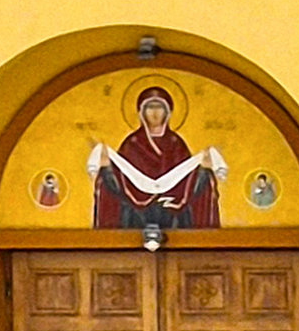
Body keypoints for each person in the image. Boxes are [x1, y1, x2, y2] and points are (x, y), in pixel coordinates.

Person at [88, 81, 223, 230]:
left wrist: (203, 171)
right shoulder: (132, 144)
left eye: (159, 107)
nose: (155, 112)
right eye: (150, 107)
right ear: (141, 112)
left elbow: (188, 182)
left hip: (172, 212)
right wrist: (107, 168)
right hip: (136, 214)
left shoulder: (176, 143)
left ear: (168, 112)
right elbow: (119, 183)